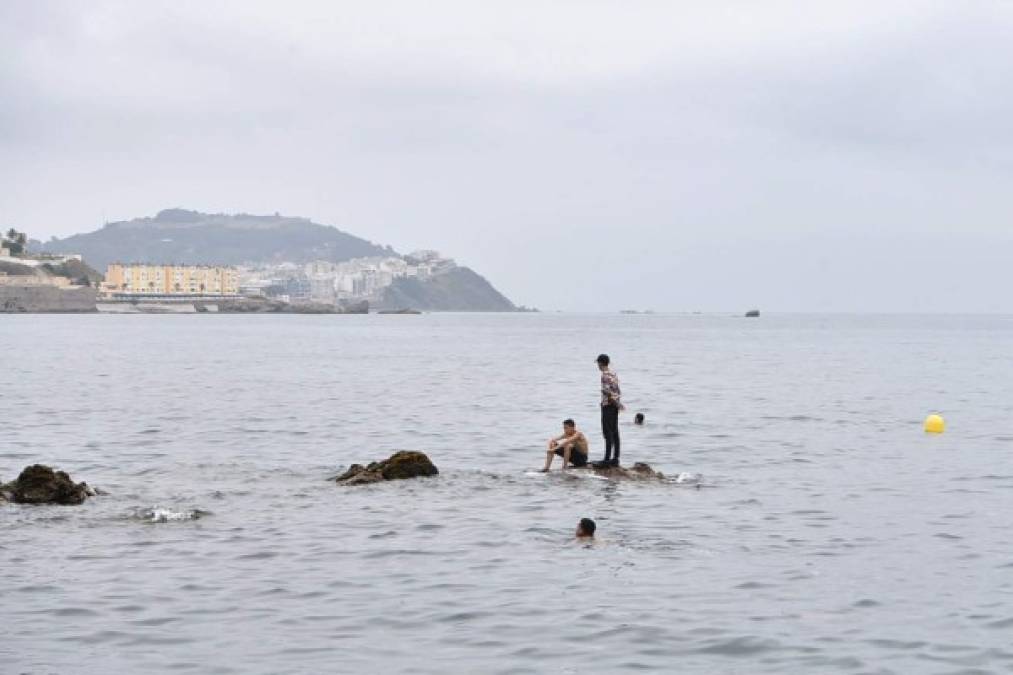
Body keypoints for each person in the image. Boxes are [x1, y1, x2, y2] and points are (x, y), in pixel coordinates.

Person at [594, 353, 624, 467]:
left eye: (598, 363)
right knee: (615, 431)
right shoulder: (613, 373)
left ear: (601, 363)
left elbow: (607, 392)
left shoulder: (604, 375)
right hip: (615, 405)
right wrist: (618, 404)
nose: (597, 365)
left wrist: (616, 403)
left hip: (608, 405)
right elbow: (617, 391)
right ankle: (615, 458)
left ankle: (607, 459)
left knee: (607, 432)